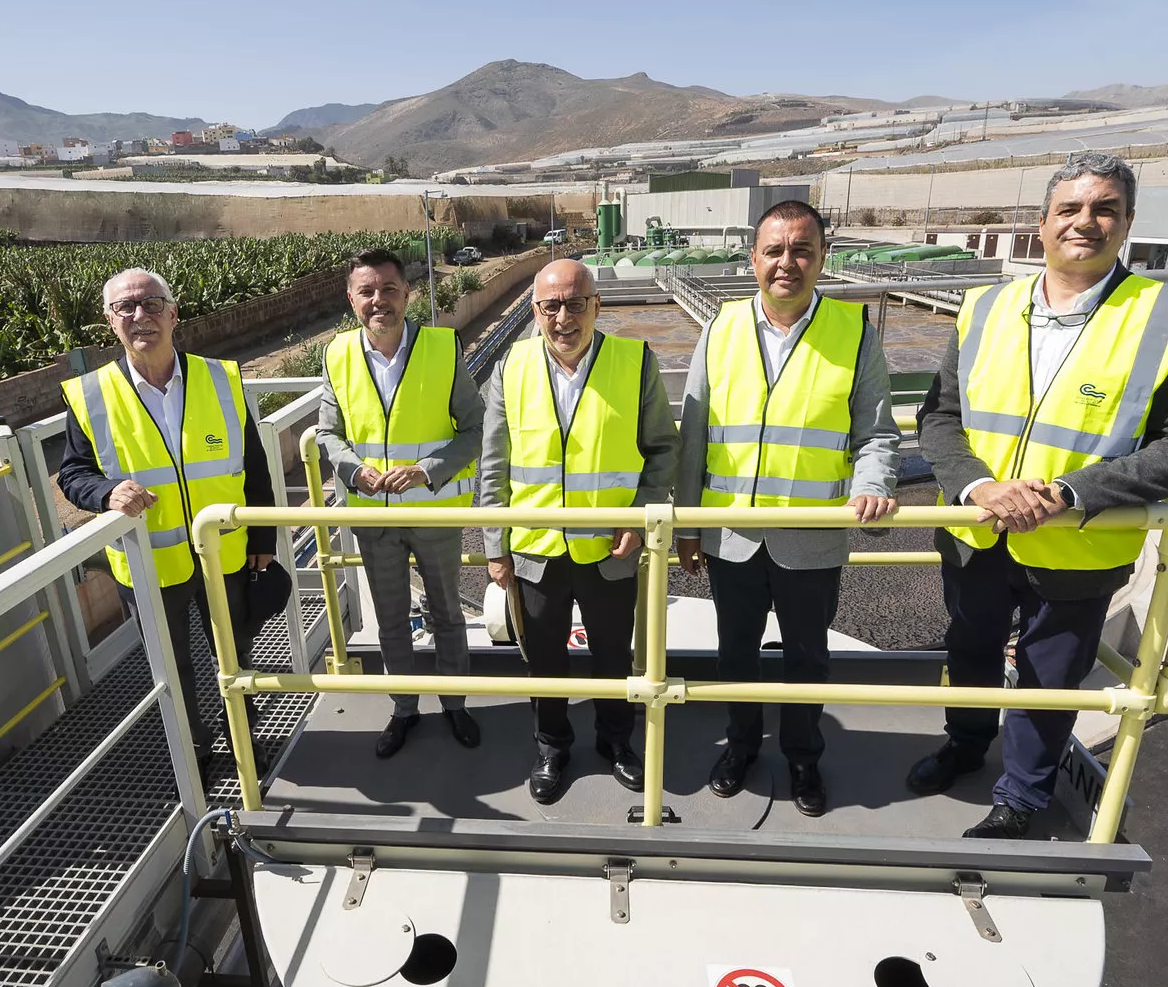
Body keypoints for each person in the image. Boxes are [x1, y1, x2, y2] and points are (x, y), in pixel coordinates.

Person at [908, 151, 1168, 839]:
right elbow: (939, 417)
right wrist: (980, 484)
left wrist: (1067, 493)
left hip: (1077, 543)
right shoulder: (987, 307)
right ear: (1044, 223)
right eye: (1070, 209)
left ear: (1128, 223)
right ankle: (964, 748)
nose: (1086, 222)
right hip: (979, 529)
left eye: (1104, 209)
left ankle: (1022, 796)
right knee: (968, 651)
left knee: (1048, 679)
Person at [675, 200, 901, 818]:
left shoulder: (854, 332)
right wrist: (688, 528)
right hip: (731, 537)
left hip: (812, 536)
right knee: (735, 653)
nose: (787, 263)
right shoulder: (720, 328)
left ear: (822, 256)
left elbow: (877, 433)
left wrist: (873, 483)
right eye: (774, 250)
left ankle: (803, 757)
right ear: (753, 259)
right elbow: (694, 434)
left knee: (808, 658)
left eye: (802, 249)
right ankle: (741, 747)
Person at [481, 259, 679, 803]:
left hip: (610, 548)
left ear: (597, 306)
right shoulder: (510, 367)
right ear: (535, 310)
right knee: (544, 658)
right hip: (535, 549)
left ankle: (616, 742)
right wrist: (494, 547)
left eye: (575, 303)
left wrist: (641, 516)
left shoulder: (633, 363)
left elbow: (662, 450)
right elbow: (494, 464)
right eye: (551, 305)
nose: (562, 317)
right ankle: (552, 746)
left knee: (614, 654)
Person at [59, 267, 276, 734]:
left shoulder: (220, 379)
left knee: (235, 659)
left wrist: (264, 537)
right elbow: (74, 473)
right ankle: (194, 755)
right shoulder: (90, 394)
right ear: (109, 320)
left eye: (152, 304)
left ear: (173, 314)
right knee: (171, 671)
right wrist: (106, 492)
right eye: (126, 307)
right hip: (149, 565)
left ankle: (246, 741)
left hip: (226, 555)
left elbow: (253, 465)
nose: (141, 316)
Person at [315, 248, 484, 757]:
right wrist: (353, 470)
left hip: (432, 513)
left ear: (407, 293)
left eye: (389, 289)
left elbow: (475, 429)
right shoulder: (337, 355)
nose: (378, 300)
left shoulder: (441, 347)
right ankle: (404, 709)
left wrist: (426, 471)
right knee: (390, 620)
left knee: (448, 614)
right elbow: (328, 433)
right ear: (351, 300)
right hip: (373, 520)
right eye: (366, 291)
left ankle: (456, 705)